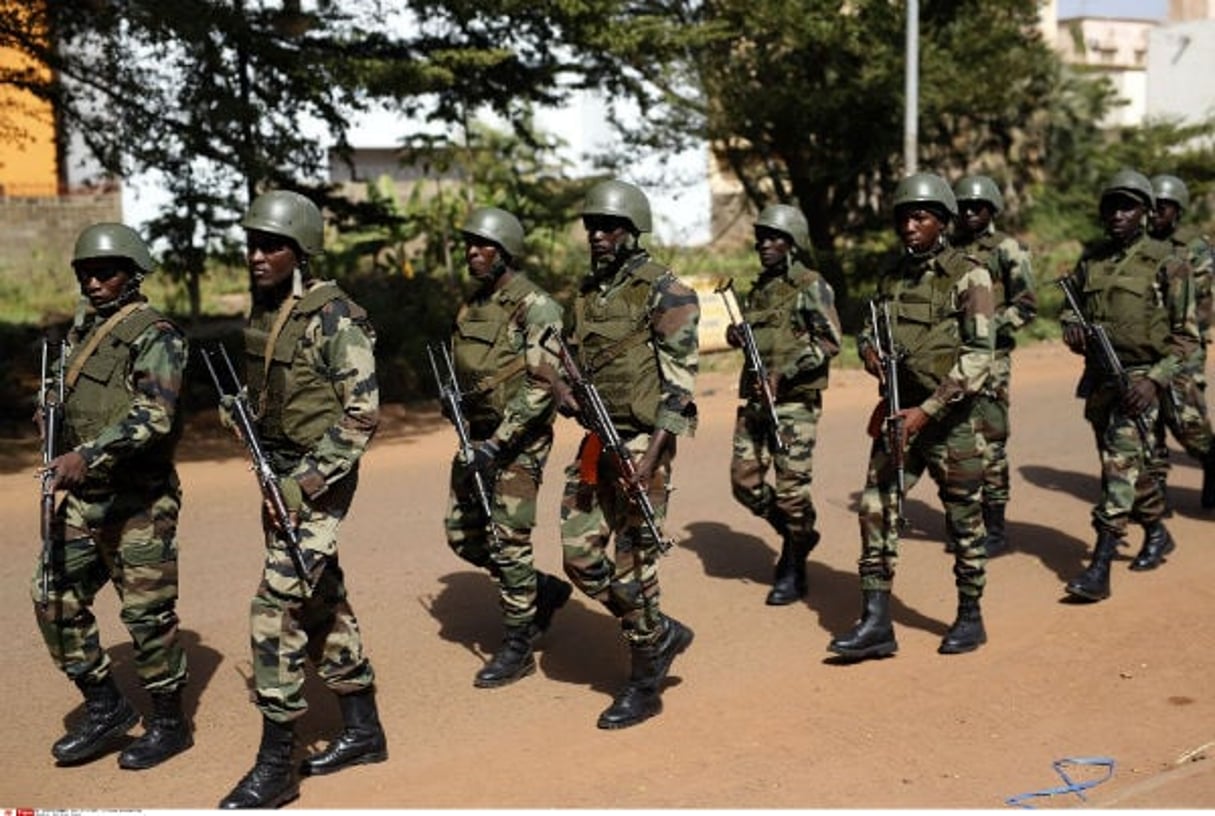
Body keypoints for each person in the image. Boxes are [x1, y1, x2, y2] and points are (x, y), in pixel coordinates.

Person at [219, 190, 386, 809]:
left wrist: (305, 483)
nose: (257, 255)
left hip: (319, 479)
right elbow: (269, 391)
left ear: (301, 250)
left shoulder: (336, 317)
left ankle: (278, 762)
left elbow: (363, 414)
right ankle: (364, 729)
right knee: (320, 600)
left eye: (272, 246)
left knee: (274, 606)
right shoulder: (267, 313)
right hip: (280, 474)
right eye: (253, 244)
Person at [32, 223, 192, 771]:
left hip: (139, 502)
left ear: (133, 273)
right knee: (52, 594)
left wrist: (88, 453)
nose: (95, 283)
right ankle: (105, 706)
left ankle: (170, 724)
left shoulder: (157, 334)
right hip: (85, 499)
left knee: (147, 617)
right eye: (87, 274)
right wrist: (49, 416)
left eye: (107, 272)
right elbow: (64, 392)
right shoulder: (79, 331)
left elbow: (154, 413)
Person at [828, 172, 996, 661]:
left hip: (952, 418)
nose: (909, 225)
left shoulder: (970, 274)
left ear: (942, 221)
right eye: (903, 217)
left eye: (920, 216)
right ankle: (877, 622)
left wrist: (929, 410)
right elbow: (866, 330)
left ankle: (970, 615)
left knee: (964, 519)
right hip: (900, 414)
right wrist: (869, 353)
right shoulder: (891, 276)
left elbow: (979, 355)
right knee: (876, 508)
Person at [554, 179, 698, 729]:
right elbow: (568, 355)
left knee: (634, 564)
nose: (597, 235)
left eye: (609, 226)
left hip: (642, 441)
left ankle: (644, 681)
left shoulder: (667, 291)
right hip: (597, 438)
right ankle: (659, 631)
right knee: (579, 555)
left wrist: (653, 455)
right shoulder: (589, 292)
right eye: (592, 226)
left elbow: (682, 384)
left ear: (633, 231)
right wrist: (564, 392)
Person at [442, 205, 572, 688]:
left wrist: (499, 442)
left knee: (508, 539)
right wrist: (454, 398)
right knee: (462, 533)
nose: (473, 253)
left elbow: (542, 386)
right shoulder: (473, 305)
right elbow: (472, 367)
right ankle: (540, 590)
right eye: (469, 245)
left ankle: (518, 643)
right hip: (475, 435)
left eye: (484, 246)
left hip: (516, 441)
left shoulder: (536, 307)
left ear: (505, 251)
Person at [1059, 169, 1199, 602]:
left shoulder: (1168, 262)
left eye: (1128, 206)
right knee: (1124, 465)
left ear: (1145, 212)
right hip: (1101, 377)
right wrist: (1071, 328)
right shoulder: (1092, 261)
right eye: (1111, 206)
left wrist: (1155, 382)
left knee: (1118, 465)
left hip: (1142, 376)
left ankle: (1099, 565)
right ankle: (1156, 530)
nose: (1118, 214)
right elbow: (1071, 309)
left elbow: (1187, 340)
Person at [726, 204, 842, 605]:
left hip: (794, 404)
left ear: (792, 243)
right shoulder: (760, 289)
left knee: (792, 491)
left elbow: (829, 341)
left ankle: (793, 563)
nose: (765, 244)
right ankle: (801, 533)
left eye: (775, 237)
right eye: (761, 237)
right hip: (756, 401)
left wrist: (785, 372)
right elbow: (764, 339)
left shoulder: (810, 284)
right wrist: (739, 336)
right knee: (744, 483)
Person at [951, 175, 1038, 556]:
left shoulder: (1007, 249)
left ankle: (996, 527)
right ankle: (966, 522)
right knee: (958, 442)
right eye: (964, 206)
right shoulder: (948, 250)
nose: (970, 212)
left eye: (978, 206)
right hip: (953, 360)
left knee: (991, 443)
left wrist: (985, 328)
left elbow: (1026, 307)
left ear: (991, 209)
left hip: (992, 359)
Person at [1145, 173, 1215, 509]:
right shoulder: (1137, 245)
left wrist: (1185, 338)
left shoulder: (1195, 248)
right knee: (1148, 420)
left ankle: (1210, 460)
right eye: (1151, 205)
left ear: (1178, 209)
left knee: (1187, 420)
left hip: (1183, 345)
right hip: (1143, 348)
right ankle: (1155, 493)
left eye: (1164, 206)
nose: (1156, 212)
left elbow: (1204, 305)